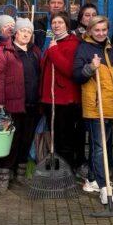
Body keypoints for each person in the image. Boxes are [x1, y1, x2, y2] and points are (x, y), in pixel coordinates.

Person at [0, 18, 41, 191]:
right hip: (11, 105)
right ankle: (3, 177)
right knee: (9, 142)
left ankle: (20, 175)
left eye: (29, 31)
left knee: (26, 141)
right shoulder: (4, 51)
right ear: (15, 33)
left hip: (32, 105)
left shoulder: (35, 52)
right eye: (22, 31)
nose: (26, 34)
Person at [73, 15, 113, 204]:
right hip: (95, 105)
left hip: (111, 104)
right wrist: (91, 67)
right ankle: (103, 185)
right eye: (96, 30)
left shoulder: (111, 48)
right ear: (90, 30)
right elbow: (76, 75)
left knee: (101, 146)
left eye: (104, 30)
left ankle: (91, 179)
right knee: (99, 148)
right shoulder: (84, 48)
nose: (100, 33)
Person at [40, 12, 82, 170]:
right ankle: (58, 171)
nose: (56, 25)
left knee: (65, 140)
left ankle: (67, 172)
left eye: (60, 22)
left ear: (67, 25)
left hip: (65, 100)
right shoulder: (53, 42)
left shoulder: (72, 43)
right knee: (56, 139)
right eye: (54, 22)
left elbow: (69, 69)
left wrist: (53, 51)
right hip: (50, 99)